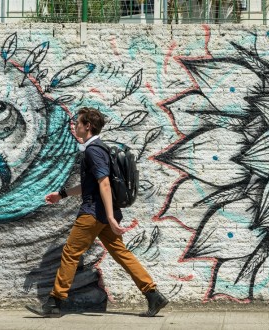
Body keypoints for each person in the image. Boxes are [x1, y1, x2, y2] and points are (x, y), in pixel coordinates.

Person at [26, 107, 167, 318]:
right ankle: (153, 294)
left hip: (93, 213)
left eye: (78, 123)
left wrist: (110, 217)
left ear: (88, 126)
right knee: (122, 254)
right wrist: (62, 194)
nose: (74, 126)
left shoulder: (93, 151)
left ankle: (54, 303)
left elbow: (104, 183)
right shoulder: (99, 149)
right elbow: (91, 184)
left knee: (71, 253)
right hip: (101, 213)